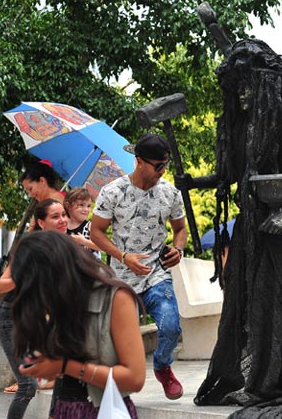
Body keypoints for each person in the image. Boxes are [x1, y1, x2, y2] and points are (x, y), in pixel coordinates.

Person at [179, 39, 282, 419]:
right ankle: (251, 380)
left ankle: (271, 383)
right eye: (238, 87)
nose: (243, 94)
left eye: (249, 85)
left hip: (281, 234)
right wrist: (194, 182)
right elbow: (231, 174)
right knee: (245, 302)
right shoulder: (245, 127)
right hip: (250, 230)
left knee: (273, 304)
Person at [90, 133, 187, 401]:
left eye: (165, 164)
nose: (163, 170)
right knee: (119, 342)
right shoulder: (113, 192)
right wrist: (122, 256)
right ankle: (121, 391)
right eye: (158, 165)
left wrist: (178, 250)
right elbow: (96, 231)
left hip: (156, 274)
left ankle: (162, 366)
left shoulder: (170, 193)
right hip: (121, 278)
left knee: (171, 326)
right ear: (139, 162)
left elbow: (180, 230)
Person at [9, 231, 146, 418]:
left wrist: (64, 366)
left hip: (102, 410)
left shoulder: (116, 297)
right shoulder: (61, 298)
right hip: (64, 409)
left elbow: (135, 378)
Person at [0, 199, 68, 416]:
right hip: (11, 320)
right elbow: (0, 286)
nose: (63, 220)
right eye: (55, 216)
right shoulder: (29, 247)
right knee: (27, 385)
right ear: (41, 223)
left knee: (63, 372)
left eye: (63, 214)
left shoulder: (59, 248)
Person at [64, 187, 102, 260]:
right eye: (81, 205)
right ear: (68, 206)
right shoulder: (64, 225)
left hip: (89, 267)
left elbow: (101, 246)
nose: (86, 210)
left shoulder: (89, 226)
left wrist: (84, 241)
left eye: (88, 206)